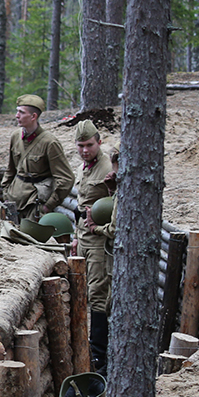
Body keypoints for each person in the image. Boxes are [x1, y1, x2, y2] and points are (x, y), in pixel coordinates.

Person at [0, 94, 74, 223]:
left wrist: (48, 205)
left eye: (21, 112)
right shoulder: (15, 137)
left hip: (34, 202)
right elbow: (11, 169)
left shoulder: (49, 142)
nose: (17, 116)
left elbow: (66, 179)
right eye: (17, 111)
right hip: (13, 199)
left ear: (33, 116)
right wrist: (6, 192)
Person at [83, 148, 119, 374]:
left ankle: (104, 359)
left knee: (108, 302)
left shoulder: (130, 190)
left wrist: (96, 229)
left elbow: (116, 227)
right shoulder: (120, 189)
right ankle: (102, 359)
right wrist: (112, 190)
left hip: (116, 258)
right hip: (110, 254)